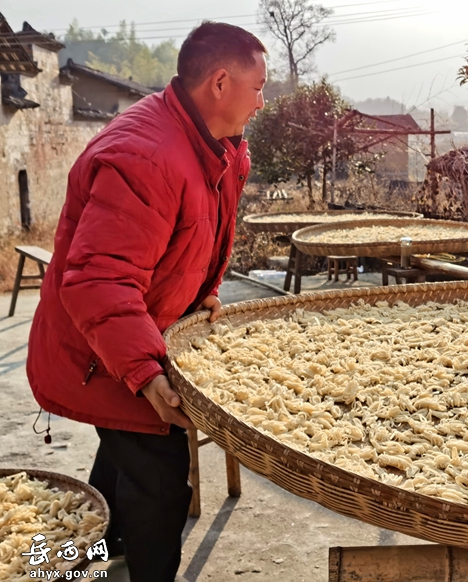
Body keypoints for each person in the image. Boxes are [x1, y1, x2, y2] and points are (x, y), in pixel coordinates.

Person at [27, 22, 267, 582]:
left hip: (135, 330)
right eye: (257, 88)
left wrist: (201, 292)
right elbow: (99, 281)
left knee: (123, 460)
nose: (262, 101)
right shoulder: (146, 156)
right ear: (220, 82)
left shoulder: (214, 145)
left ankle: (90, 554)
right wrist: (143, 371)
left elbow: (193, 236)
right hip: (101, 348)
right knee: (160, 476)